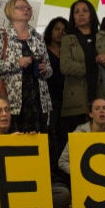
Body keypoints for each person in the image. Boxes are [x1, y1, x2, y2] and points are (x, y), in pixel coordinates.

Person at [0, 93, 71, 208]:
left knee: (62, 194)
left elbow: (33, 172)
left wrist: (30, 145)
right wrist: (6, 146)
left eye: (7, 110)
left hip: (22, 188)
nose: (4, 114)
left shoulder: (16, 135)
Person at [0, 0, 52, 133]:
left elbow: (50, 69)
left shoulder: (38, 37)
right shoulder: (0, 36)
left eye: (28, 8)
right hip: (11, 100)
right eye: (21, 7)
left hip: (37, 100)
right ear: (10, 11)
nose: (25, 10)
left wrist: (45, 70)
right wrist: (16, 63)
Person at [60, 0, 105, 135]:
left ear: (91, 14)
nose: (81, 14)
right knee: (78, 145)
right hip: (77, 102)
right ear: (73, 17)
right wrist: (92, 67)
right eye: (76, 12)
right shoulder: (68, 39)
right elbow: (65, 66)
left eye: (85, 10)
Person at [58, 98, 105, 175]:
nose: (101, 111)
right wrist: (80, 174)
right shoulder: (79, 133)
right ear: (91, 114)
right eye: (97, 108)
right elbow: (62, 161)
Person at [43, 17, 68, 166]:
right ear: (50, 31)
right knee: (51, 134)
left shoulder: (70, 51)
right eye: (57, 29)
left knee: (64, 133)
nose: (60, 33)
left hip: (68, 100)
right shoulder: (43, 50)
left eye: (64, 30)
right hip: (49, 99)